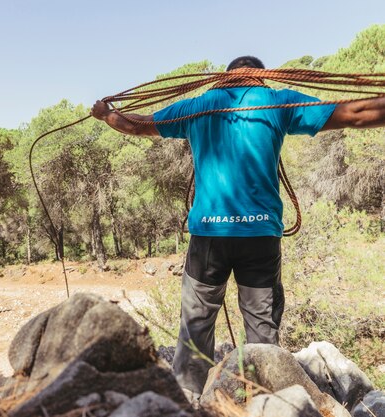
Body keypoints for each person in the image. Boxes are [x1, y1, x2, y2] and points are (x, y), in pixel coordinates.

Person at [91, 56, 385, 399]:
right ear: (259, 76)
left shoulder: (198, 107)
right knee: (262, 330)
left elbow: (136, 125)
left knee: (195, 325)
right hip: (259, 237)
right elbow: (356, 113)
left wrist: (106, 114)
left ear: (225, 78)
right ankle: (265, 398)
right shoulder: (278, 101)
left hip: (209, 239)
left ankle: (187, 394)